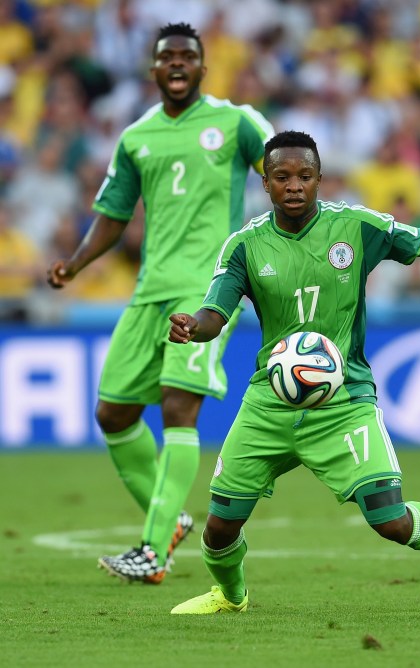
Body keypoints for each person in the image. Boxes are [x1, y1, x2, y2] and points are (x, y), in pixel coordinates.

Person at [166, 130, 420, 614]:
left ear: (320, 180)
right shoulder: (246, 246)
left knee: (391, 520)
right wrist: (194, 326)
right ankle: (232, 597)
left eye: (305, 176)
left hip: (343, 400)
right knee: (219, 528)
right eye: (282, 177)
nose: (294, 186)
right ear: (266, 184)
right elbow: (216, 313)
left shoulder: (356, 227)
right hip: (269, 402)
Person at [47, 23, 275, 584]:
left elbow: (287, 169)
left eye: (187, 56)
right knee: (113, 412)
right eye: (166, 56)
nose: (176, 64)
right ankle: (170, 521)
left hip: (206, 289)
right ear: (152, 69)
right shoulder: (136, 138)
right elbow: (114, 213)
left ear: (203, 68)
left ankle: (153, 550)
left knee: (178, 405)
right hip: (150, 289)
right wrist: (77, 261)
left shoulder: (237, 121)